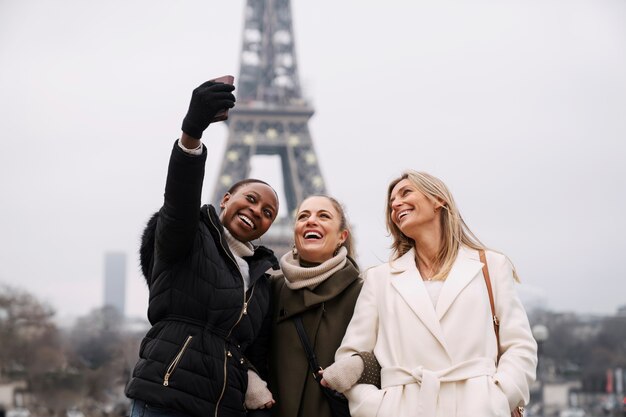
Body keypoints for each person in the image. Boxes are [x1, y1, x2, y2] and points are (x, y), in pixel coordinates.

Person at [321, 170, 537, 417]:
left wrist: (496, 397)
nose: (395, 204)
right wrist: (377, 407)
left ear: (439, 200)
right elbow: (351, 354)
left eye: (406, 192)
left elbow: (520, 346)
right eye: (392, 203)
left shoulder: (492, 265)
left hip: (476, 407)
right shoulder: (378, 278)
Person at [125, 80, 280, 417]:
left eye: (268, 213)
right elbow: (179, 202)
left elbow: (253, 350)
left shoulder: (262, 280)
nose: (256, 211)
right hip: (166, 398)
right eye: (250, 199)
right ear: (226, 199)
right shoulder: (190, 237)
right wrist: (192, 133)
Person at [267, 195, 373, 417]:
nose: (311, 220)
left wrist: (360, 365)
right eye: (303, 216)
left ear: (342, 236)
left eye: (323, 216)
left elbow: (392, 358)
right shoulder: (270, 288)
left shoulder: (365, 292)